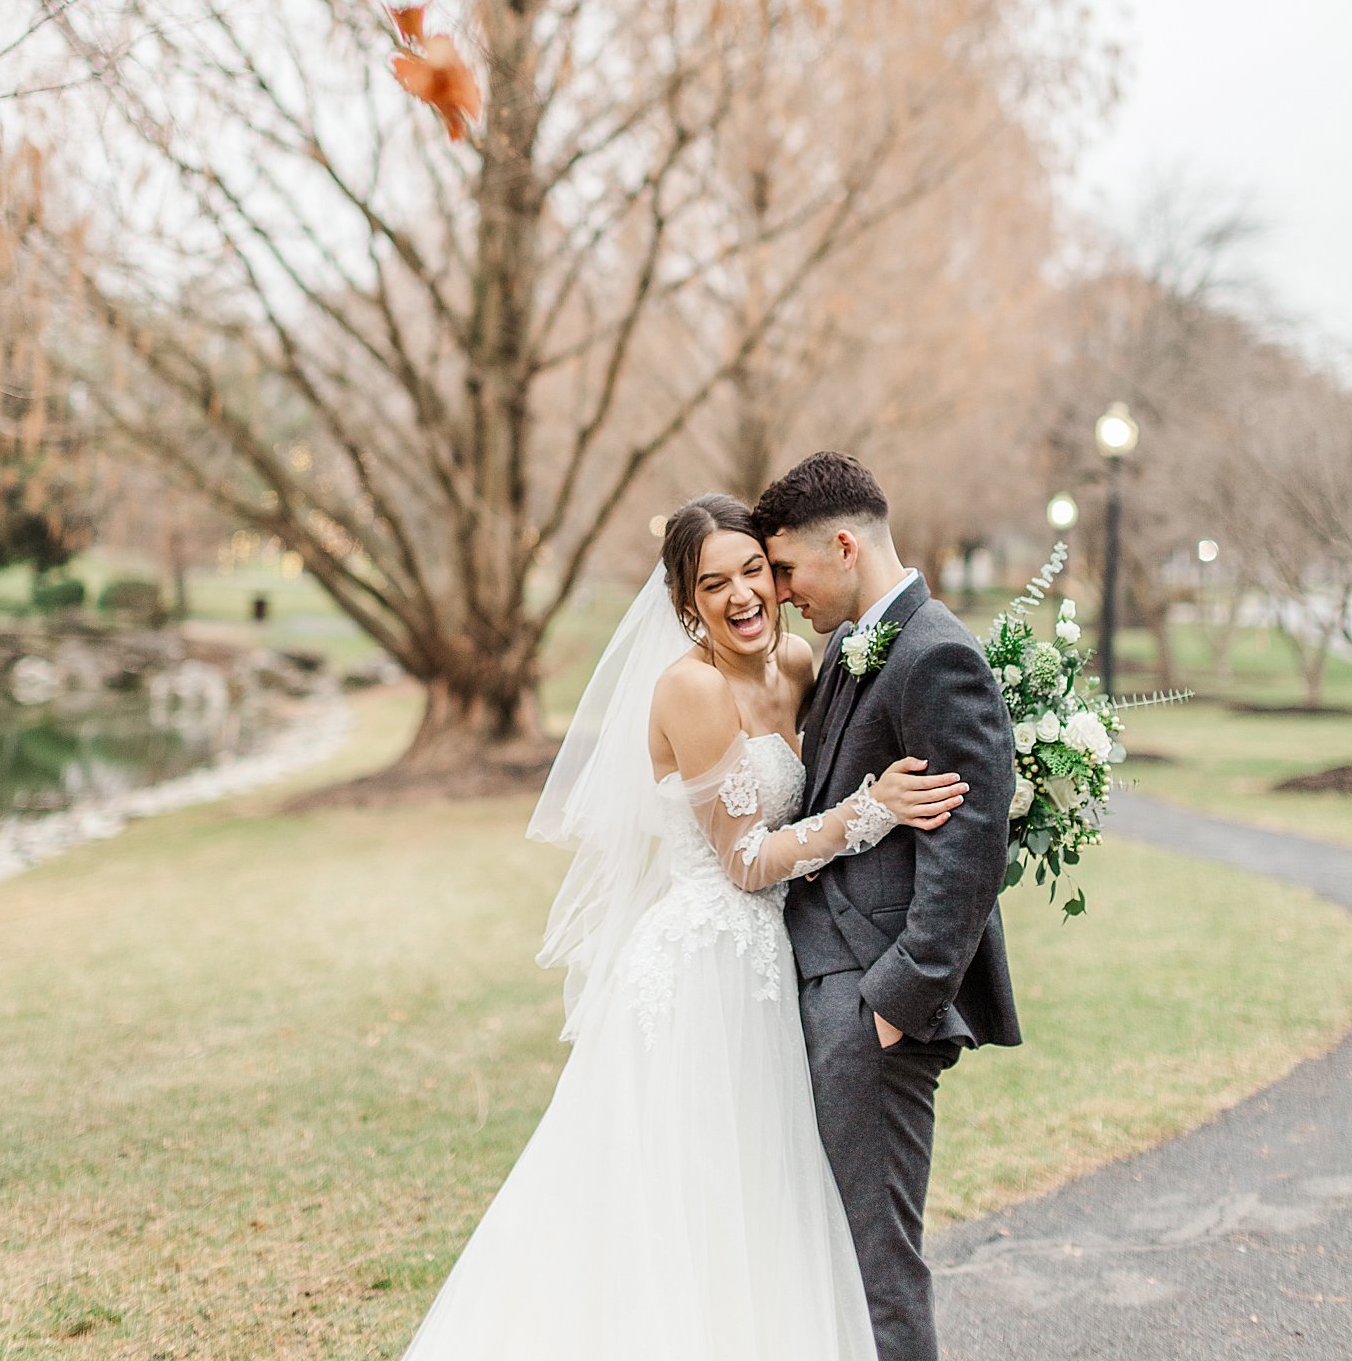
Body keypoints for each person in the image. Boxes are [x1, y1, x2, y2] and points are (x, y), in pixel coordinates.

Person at [399, 491, 969, 1360]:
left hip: (781, 963)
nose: (742, 595)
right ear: (685, 603)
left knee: (765, 1201)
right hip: (708, 964)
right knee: (685, 1195)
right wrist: (872, 811)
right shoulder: (692, 689)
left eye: (755, 572)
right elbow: (743, 862)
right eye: (715, 584)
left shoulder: (799, 665)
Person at [753, 451, 1021, 1361]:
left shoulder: (936, 652)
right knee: (822, 1252)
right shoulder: (848, 646)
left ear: (840, 545)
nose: (780, 591)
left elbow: (971, 843)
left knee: (876, 1268)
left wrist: (895, 1005)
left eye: (785, 568)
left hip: (868, 1005)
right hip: (816, 979)